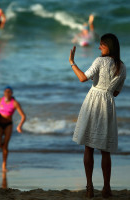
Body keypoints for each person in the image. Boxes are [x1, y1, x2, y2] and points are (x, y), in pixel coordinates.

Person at [69, 33, 126, 198]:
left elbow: (82, 78)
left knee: (88, 146)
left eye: (102, 44)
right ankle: (106, 188)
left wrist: (72, 62)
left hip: (93, 101)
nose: (99, 47)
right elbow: (115, 93)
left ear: (109, 46)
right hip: (108, 104)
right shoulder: (122, 66)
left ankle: (89, 188)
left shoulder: (100, 61)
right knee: (105, 149)